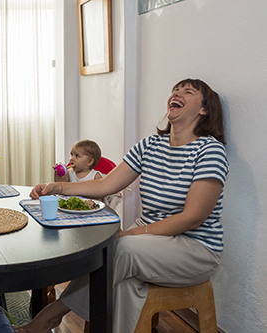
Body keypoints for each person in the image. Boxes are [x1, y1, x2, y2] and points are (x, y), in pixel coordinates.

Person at [16, 78, 229, 333]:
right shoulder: (149, 145)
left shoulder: (210, 151)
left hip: (195, 248)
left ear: (204, 110)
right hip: (147, 244)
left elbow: (192, 218)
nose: (177, 93)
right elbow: (106, 185)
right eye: (175, 90)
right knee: (123, 282)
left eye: (188, 91)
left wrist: (131, 234)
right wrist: (57, 187)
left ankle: (48, 317)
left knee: (119, 249)